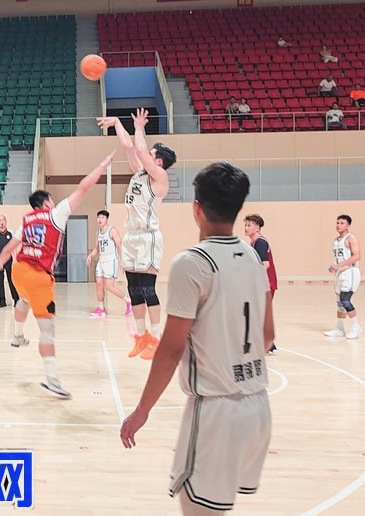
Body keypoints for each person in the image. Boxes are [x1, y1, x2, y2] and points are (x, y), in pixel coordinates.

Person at [119, 162, 275, 516]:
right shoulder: (253, 257)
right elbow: (268, 335)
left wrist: (142, 411)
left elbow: (171, 348)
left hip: (216, 413)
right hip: (258, 407)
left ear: (197, 208)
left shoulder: (192, 262)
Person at [0, 151, 116, 398]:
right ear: (47, 202)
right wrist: (102, 165)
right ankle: (51, 378)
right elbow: (83, 187)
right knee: (47, 330)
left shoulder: (26, 220)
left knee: (23, 299)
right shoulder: (56, 213)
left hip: (18, 271)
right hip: (39, 277)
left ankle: (17, 335)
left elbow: (8, 249)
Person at [97, 109, 176, 361]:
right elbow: (130, 147)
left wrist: (140, 127)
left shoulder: (160, 177)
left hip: (148, 237)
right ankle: (142, 337)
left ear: (159, 162)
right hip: (132, 237)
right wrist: (118, 123)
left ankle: (156, 339)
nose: (147, 155)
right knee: (133, 288)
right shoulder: (140, 173)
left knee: (148, 289)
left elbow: (140, 150)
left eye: (152, 155)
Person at [86, 210, 133, 317]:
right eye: (99, 217)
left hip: (111, 260)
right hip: (101, 261)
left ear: (107, 219)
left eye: (102, 217)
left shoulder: (112, 230)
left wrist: (122, 261)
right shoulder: (98, 233)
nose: (100, 219)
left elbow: (119, 245)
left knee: (109, 286)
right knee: (99, 284)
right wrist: (90, 256)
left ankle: (128, 301)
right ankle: (101, 308)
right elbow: (96, 248)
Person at [244, 214, 278, 354]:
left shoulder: (260, 243)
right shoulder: (253, 243)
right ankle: (267, 345)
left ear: (257, 227)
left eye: (249, 225)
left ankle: (267, 345)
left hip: (266, 283)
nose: (246, 228)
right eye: (245, 225)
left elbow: (265, 264)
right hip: (262, 284)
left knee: (258, 313)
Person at [324, 214, 362, 340]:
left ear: (348, 225)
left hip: (350, 272)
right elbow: (340, 258)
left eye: (342, 223)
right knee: (340, 303)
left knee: (345, 300)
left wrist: (339, 265)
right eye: (337, 222)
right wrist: (334, 267)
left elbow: (356, 256)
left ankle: (356, 326)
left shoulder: (351, 238)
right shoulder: (336, 241)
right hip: (340, 273)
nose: (338, 225)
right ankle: (339, 328)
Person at [0, 214, 20, 308]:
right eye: (0, 220)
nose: (1, 222)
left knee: (12, 281)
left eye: (3, 220)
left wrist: (15, 259)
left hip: (9, 260)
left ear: (6, 222)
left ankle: (16, 300)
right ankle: (2, 301)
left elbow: (14, 247)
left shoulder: (11, 232)